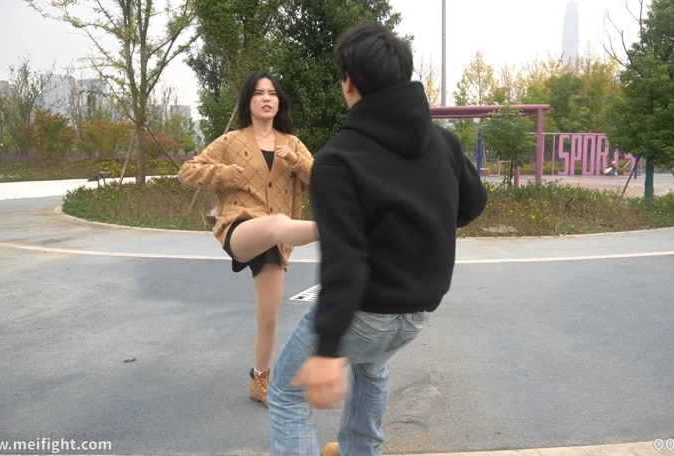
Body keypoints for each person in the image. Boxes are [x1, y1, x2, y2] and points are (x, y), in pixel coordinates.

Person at [268, 21, 488, 456]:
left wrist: (328, 350)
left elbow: (345, 261)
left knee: (286, 393)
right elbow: (472, 205)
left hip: (366, 312)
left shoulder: (338, 159)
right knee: (370, 366)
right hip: (419, 311)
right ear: (404, 75)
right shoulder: (443, 142)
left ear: (349, 82)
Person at [177, 70, 318, 408]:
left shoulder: (291, 143)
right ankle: (342, 229)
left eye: (272, 93)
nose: (266, 98)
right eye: (258, 93)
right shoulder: (231, 142)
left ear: (279, 101)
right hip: (240, 226)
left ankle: (260, 380)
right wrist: (222, 174)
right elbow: (187, 172)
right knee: (277, 223)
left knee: (268, 317)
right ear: (247, 101)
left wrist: (295, 160)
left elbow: (320, 177)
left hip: (275, 241)